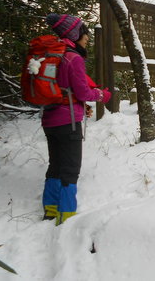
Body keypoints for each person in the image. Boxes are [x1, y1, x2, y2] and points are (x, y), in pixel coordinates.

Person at [41, 13, 112, 224]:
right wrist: (102, 95)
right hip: (67, 122)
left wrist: (79, 105)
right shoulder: (73, 58)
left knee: (55, 165)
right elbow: (82, 92)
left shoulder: (50, 55)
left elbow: (64, 91)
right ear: (74, 34)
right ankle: (67, 215)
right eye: (85, 33)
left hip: (49, 118)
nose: (88, 37)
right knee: (70, 168)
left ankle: (50, 210)